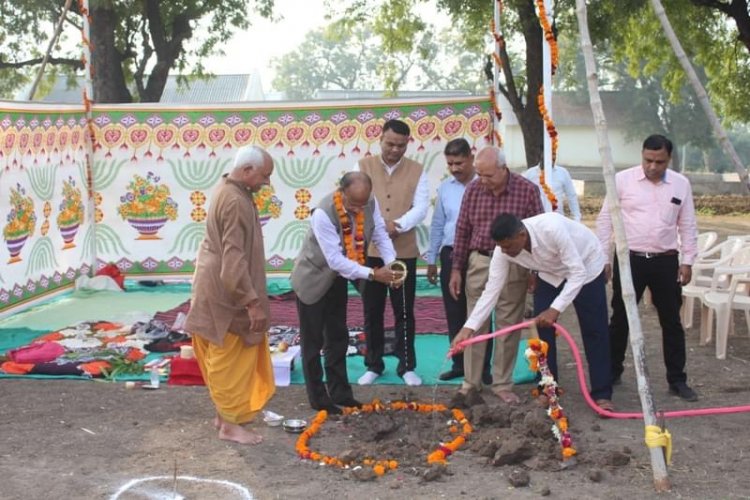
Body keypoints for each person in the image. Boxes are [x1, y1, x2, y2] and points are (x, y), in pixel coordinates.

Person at [452, 213, 613, 411]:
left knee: (594, 330)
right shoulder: (503, 250)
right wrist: (469, 328)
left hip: (586, 267)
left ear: (521, 235)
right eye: (501, 247)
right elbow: (491, 291)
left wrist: (555, 309)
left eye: (508, 246)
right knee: (542, 335)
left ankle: (602, 393)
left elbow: (577, 272)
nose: (505, 251)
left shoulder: (551, 229)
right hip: (550, 274)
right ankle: (548, 389)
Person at [596, 134, 699, 402]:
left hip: (666, 260)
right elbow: (606, 219)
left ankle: (677, 380)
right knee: (620, 318)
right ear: (641, 155)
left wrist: (687, 260)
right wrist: (603, 258)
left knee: (672, 321)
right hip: (629, 259)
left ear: (669, 159)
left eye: (659, 162)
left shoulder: (681, 184)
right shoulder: (621, 180)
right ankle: (612, 372)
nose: (652, 166)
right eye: (648, 160)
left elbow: (687, 224)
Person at [184, 145, 276, 445]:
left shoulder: (228, 188)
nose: (266, 183)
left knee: (223, 355)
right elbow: (233, 258)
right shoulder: (235, 201)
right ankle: (230, 425)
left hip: (214, 285)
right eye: (264, 176)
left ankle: (223, 416)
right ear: (247, 170)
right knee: (231, 358)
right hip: (227, 292)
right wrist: (251, 303)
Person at [290, 172, 401, 414]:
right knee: (313, 342)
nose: (357, 209)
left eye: (362, 204)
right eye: (352, 204)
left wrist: (392, 262)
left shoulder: (369, 203)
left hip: (337, 280)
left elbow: (380, 232)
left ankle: (341, 392)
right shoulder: (323, 212)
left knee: (338, 337)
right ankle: (319, 399)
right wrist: (374, 273)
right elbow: (335, 260)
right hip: (313, 278)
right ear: (341, 192)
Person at [449, 146, 544, 405]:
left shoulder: (527, 190)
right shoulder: (473, 190)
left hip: (514, 263)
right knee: (475, 322)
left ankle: (502, 383)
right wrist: (457, 268)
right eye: (479, 174)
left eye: (488, 175)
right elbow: (462, 229)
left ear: (504, 169)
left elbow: (537, 234)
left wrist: (534, 270)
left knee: (507, 326)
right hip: (480, 261)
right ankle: (471, 383)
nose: (482, 180)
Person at [356, 119, 429, 387]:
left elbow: (421, 207)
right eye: (390, 144)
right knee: (371, 309)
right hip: (371, 252)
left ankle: (407, 365)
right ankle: (373, 364)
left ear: (407, 143)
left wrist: (397, 225)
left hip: (403, 252)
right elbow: (355, 200)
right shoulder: (363, 167)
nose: (395, 150)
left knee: (404, 310)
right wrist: (378, 227)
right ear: (380, 140)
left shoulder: (418, 170)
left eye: (400, 145)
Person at [426, 138, 490, 381]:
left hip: (478, 254)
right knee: (454, 311)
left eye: (459, 162)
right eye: (450, 163)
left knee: (480, 311)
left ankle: (483, 369)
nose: (454, 168)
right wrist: (432, 259)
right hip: (450, 254)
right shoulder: (445, 188)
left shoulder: (485, 183)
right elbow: (438, 225)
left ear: (471, 158)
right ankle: (459, 364)